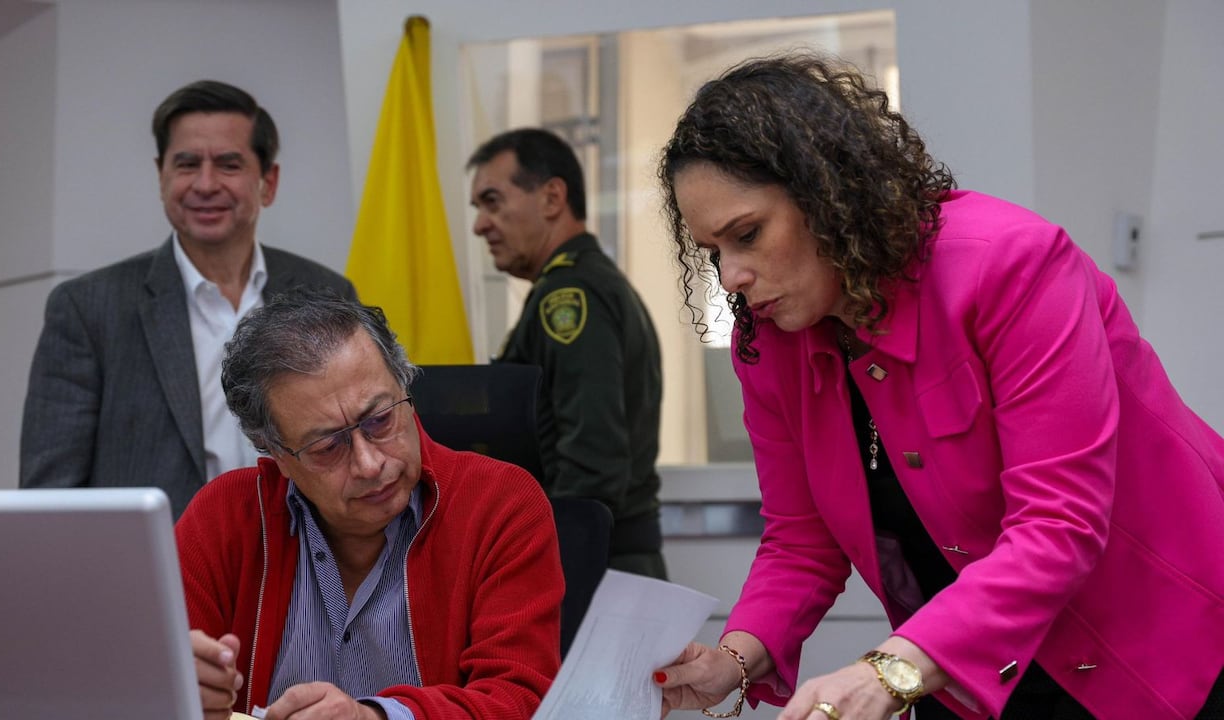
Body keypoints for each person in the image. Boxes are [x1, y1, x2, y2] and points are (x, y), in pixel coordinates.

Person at [652, 53, 1224, 720]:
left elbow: (1058, 523)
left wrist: (889, 671)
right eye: (712, 250)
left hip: (1163, 647)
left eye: (747, 234)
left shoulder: (1011, 266)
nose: (730, 276)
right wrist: (736, 658)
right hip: (967, 669)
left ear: (827, 195)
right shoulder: (771, 344)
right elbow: (801, 540)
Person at [178, 288, 562, 720]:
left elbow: (521, 700)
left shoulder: (500, 504)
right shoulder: (225, 516)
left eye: (380, 420)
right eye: (327, 446)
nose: (369, 463)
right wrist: (181, 692)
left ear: (406, 388)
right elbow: (149, 682)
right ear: (277, 455)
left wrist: (376, 717)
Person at [20, 80, 356, 518]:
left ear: (268, 182)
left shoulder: (327, 295)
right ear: (162, 176)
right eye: (186, 163)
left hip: (304, 572)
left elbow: (355, 448)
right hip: (153, 575)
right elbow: (50, 498)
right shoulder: (88, 309)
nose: (205, 183)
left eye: (229, 164)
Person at [468, 128, 668, 579]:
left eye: (493, 201)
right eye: (478, 208)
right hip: (601, 560)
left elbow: (591, 462)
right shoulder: (583, 285)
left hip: (592, 567)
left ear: (552, 198)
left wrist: (552, 574)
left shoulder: (571, 296)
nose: (480, 224)